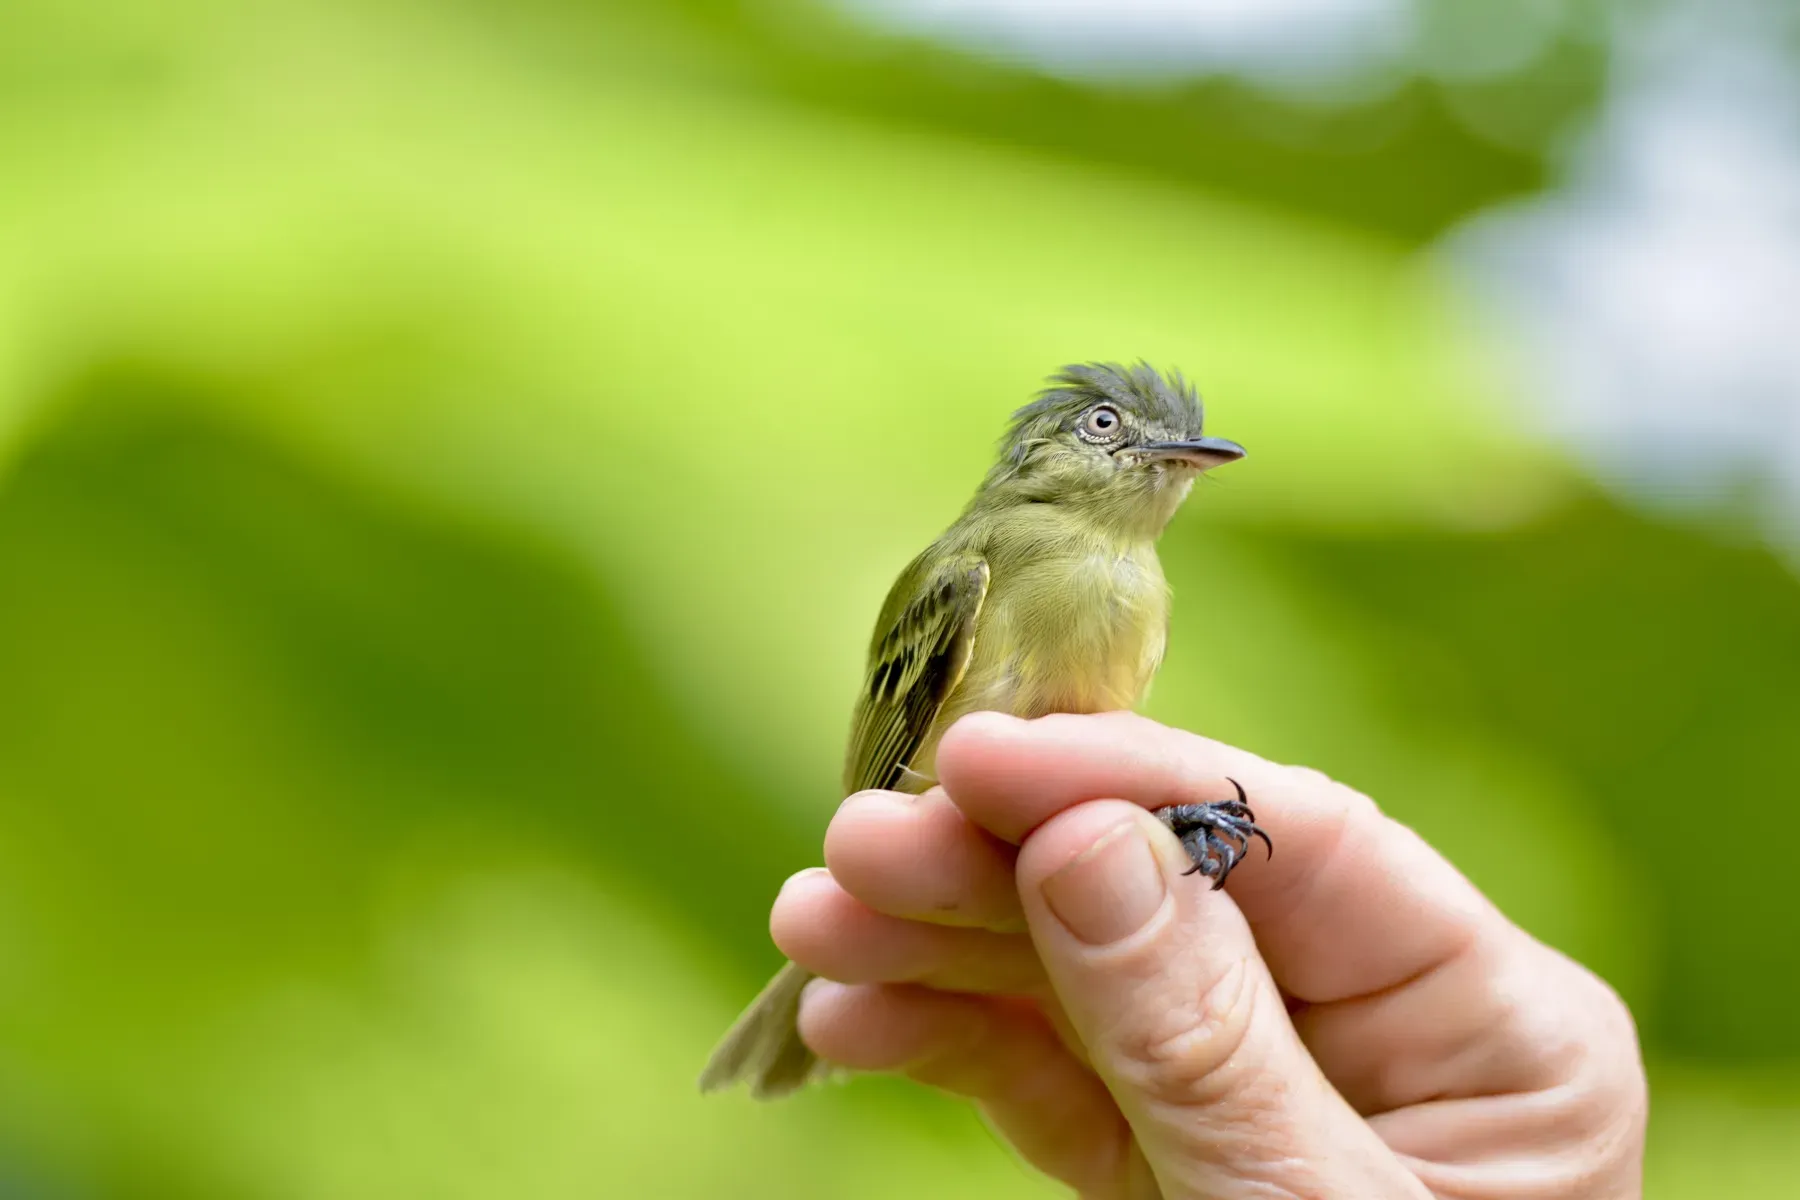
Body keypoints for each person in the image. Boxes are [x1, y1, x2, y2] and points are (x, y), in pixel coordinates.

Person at [769, 711, 1648, 1199]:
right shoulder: (982, 567)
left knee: (1083, 852)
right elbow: (901, 742)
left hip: (1022, 857)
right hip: (935, 838)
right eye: (1111, 431)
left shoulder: (1143, 598)